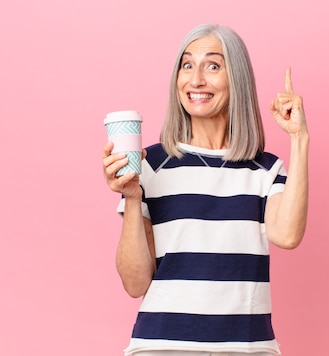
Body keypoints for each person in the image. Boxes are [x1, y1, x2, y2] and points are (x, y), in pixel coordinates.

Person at [102, 23, 309, 356]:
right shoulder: (152, 165)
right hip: (163, 346)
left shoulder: (265, 170)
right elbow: (135, 283)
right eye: (187, 65)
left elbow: (287, 235)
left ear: (237, 79)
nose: (196, 80)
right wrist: (132, 196)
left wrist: (299, 139)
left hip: (248, 348)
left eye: (213, 65)